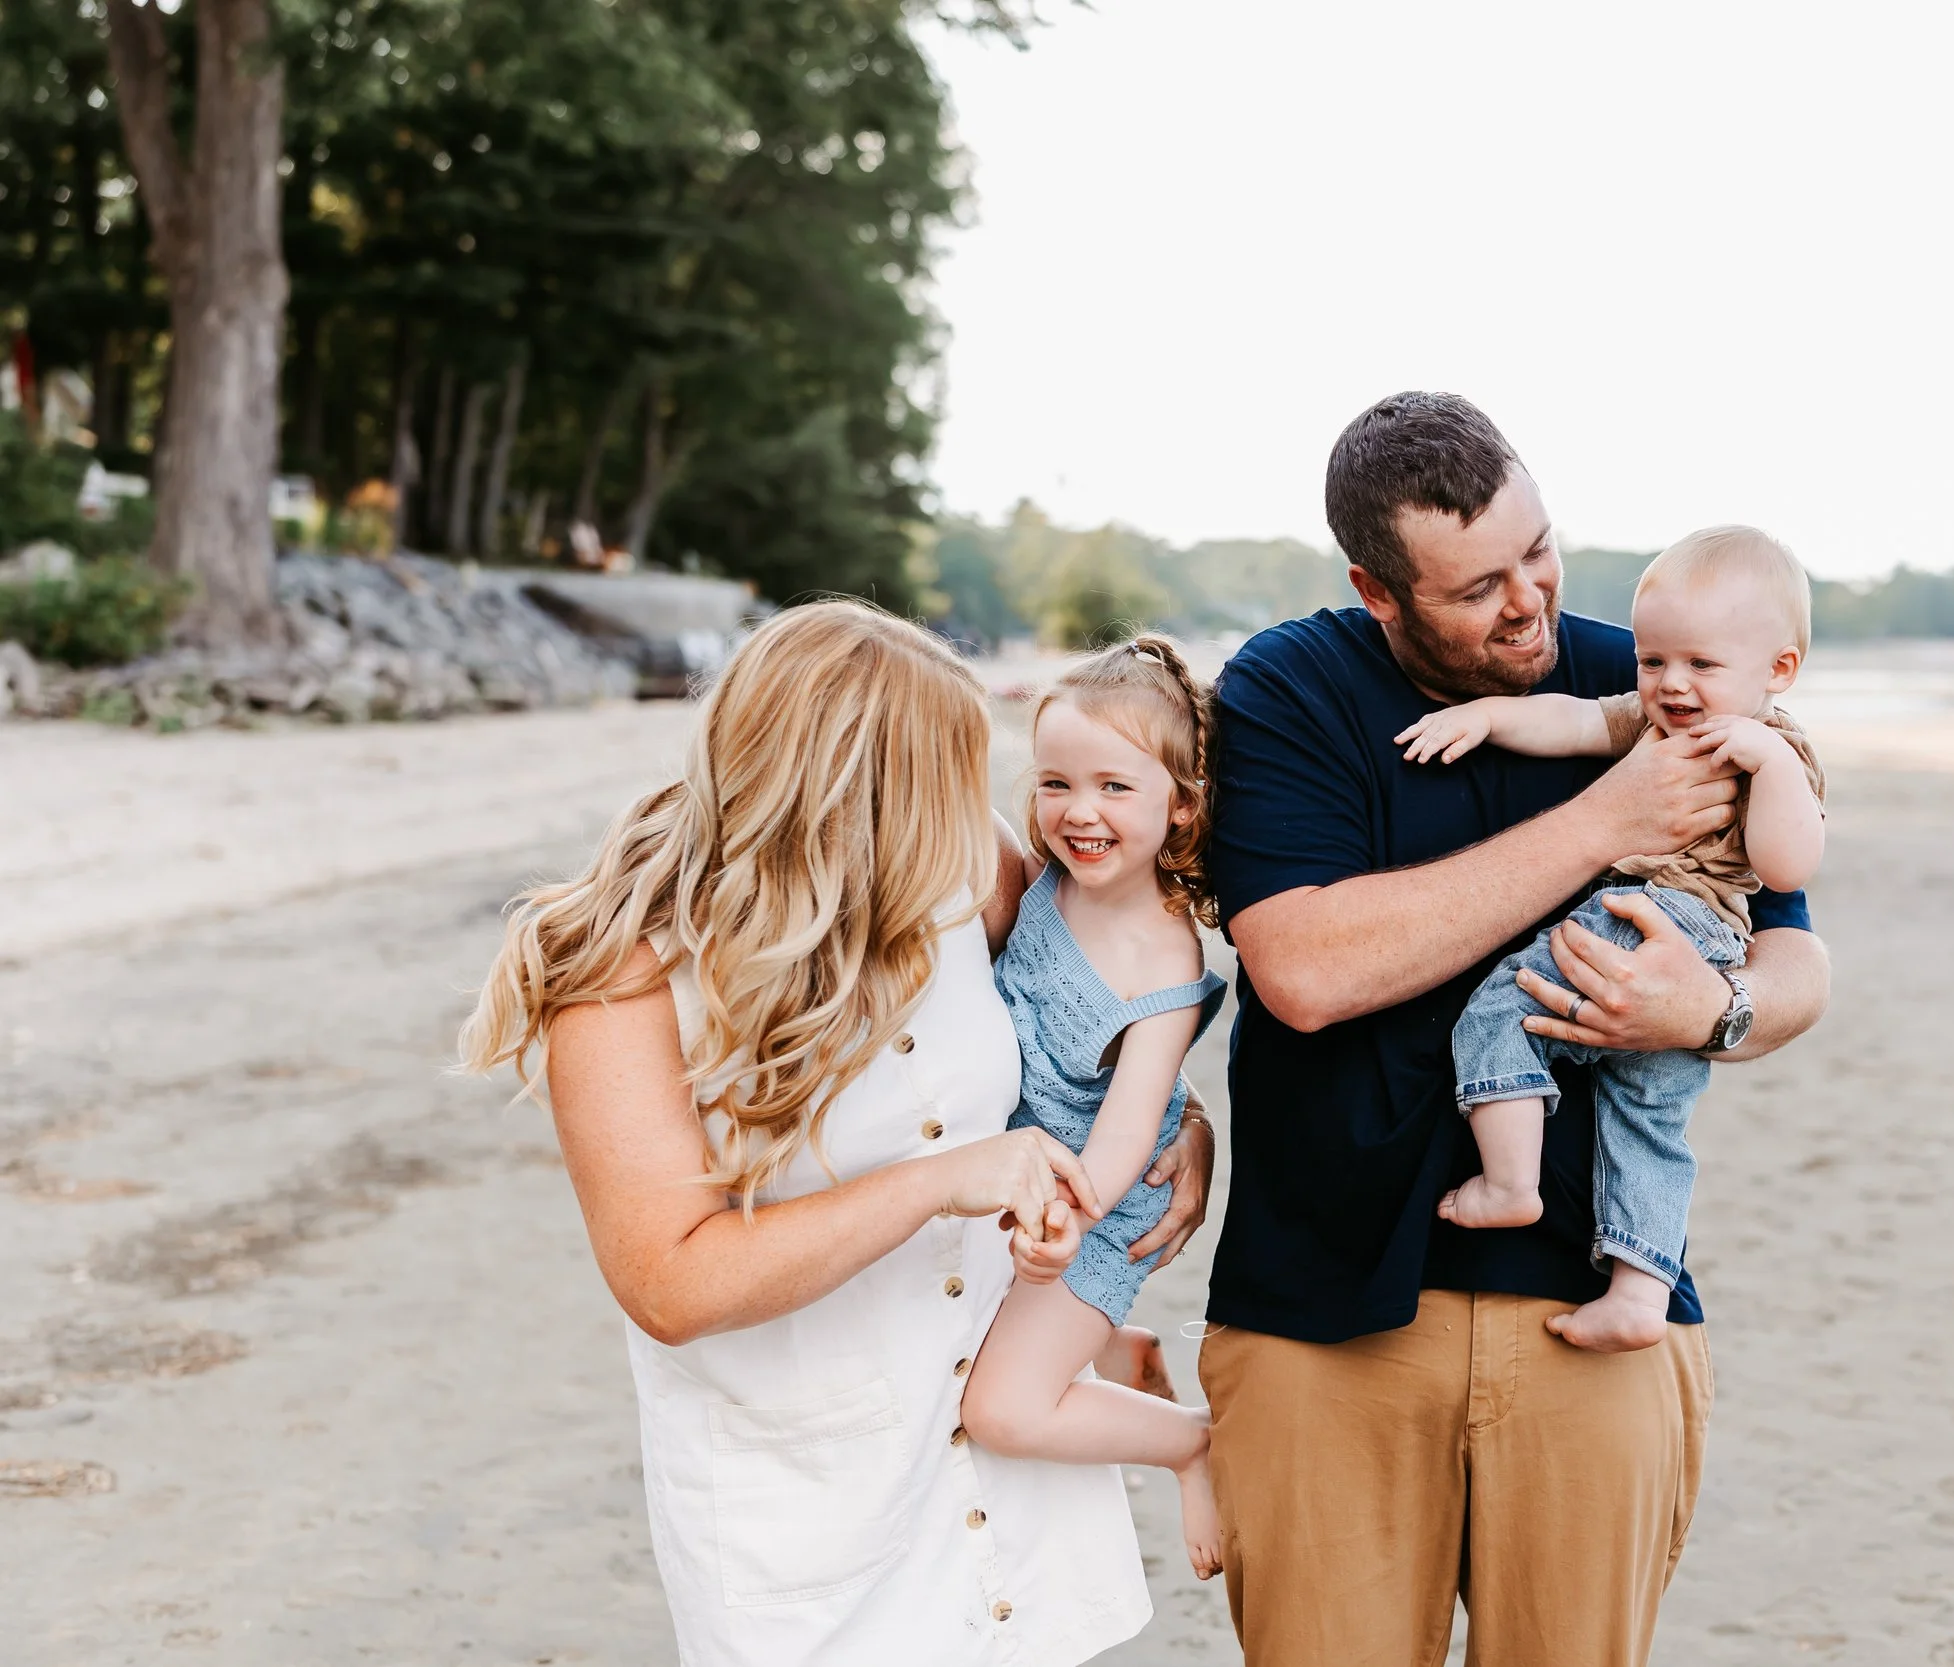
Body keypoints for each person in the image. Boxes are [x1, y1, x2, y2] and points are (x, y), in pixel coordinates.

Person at [1197, 393, 1831, 1666]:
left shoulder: (1654, 671)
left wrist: (1716, 1010)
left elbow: (1795, 953)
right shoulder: (1288, 690)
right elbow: (1306, 970)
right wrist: (1602, 823)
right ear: (1379, 591)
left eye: (1537, 549)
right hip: (1324, 1314)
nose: (1530, 599)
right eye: (1479, 583)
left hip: (1597, 1297)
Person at [459, 600, 1214, 1665]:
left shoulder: (962, 866)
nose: (971, 811)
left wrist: (1179, 1119)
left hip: (1011, 1467)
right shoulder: (623, 978)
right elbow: (671, 1285)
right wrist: (940, 1180)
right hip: (810, 1514)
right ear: (834, 790)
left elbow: (1091, 1007)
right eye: (938, 778)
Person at [1398, 525, 1827, 1352]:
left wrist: (1768, 766)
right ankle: (1638, 1289)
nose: (1671, 685)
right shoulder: (1658, 723)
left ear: (1778, 671)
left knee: (1503, 1004)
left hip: (1665, 923)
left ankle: (1509, 1179)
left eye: (1701, 665)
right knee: (1646, 1116)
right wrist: (1492, 716)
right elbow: (1577, 722)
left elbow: (1786, 866)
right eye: (1652, 660)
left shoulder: (1780, 749)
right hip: (1676, 950)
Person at [960, 635, 1230, 1582]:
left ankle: (1188, 1440)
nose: (1080, 812)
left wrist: (1062, 1221)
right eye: (1055, 782)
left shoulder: (1166, 961)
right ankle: (1119, 1346)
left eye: (1116, 787)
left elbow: (1122, 1139)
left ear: (1180, 803)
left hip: (1093, 1209)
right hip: (1018, 1177)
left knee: (1003, 1408)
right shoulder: (1044, 885)